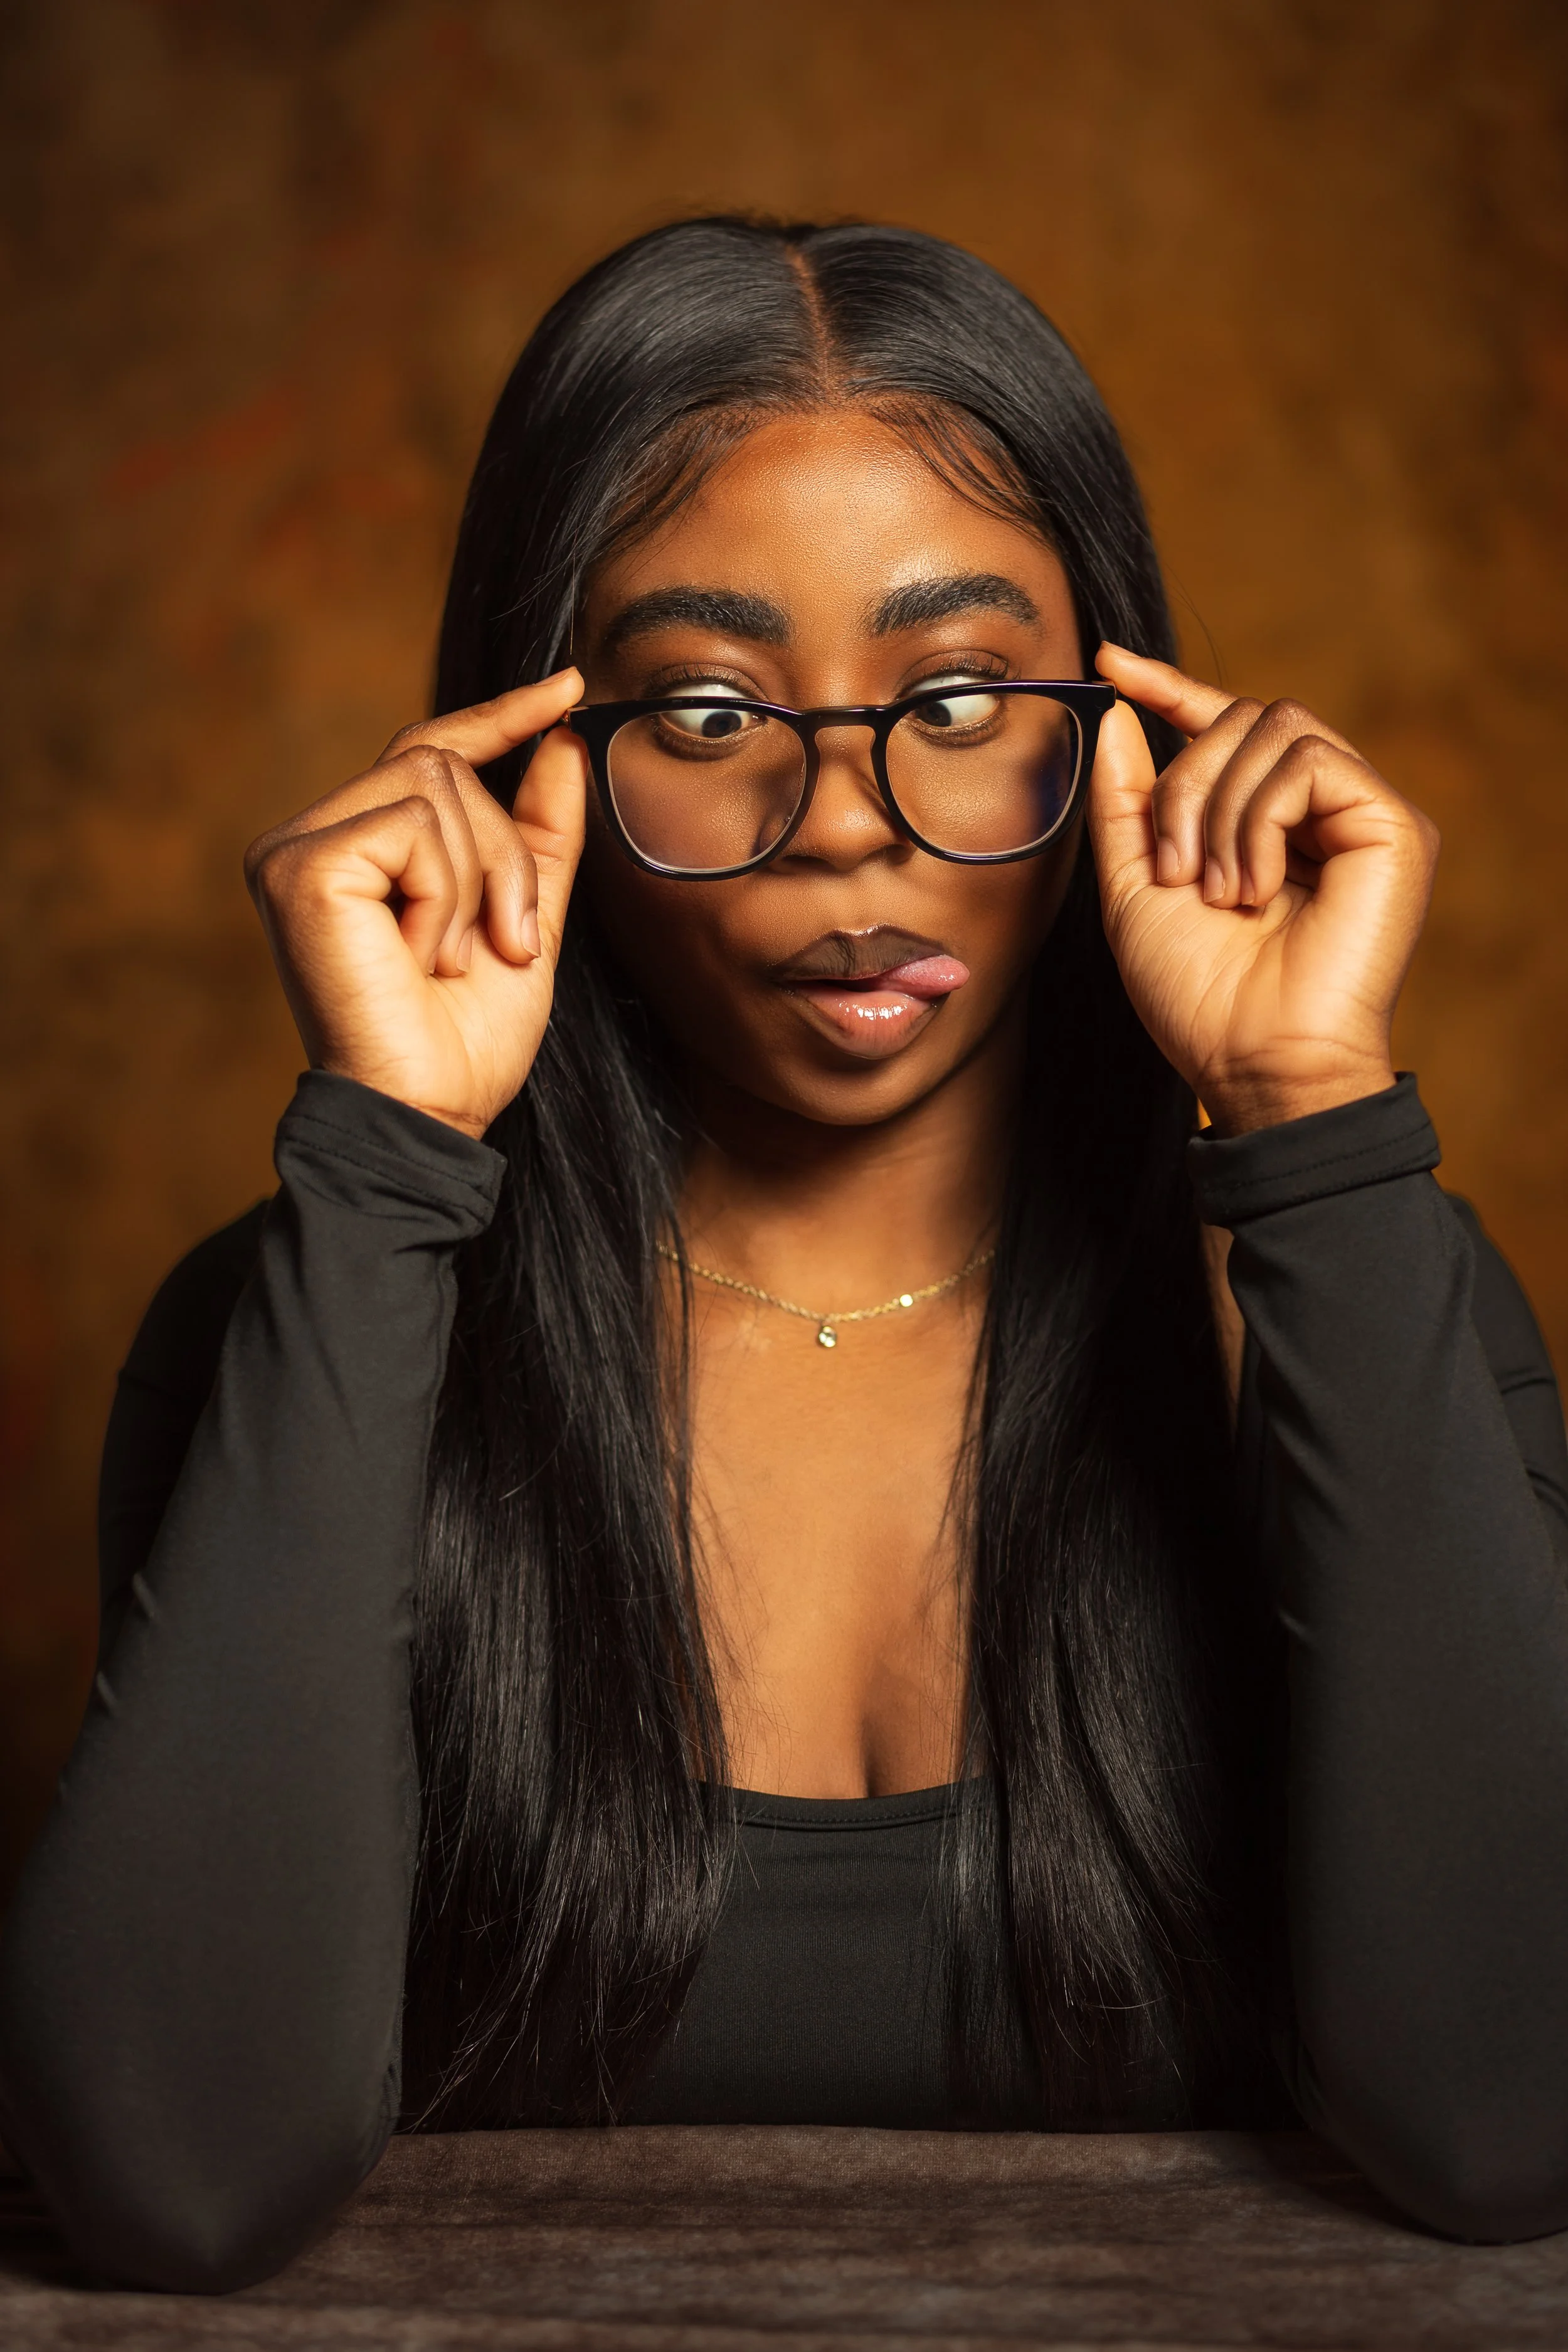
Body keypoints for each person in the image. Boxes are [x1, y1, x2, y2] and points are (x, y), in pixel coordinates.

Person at [3, 216, 1567, 2292]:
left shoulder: (1369, 1291)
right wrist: (382, 1171)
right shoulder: (304, 1313)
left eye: (955, 691)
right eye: (712, 707)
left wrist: (1312, 1128)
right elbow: (178, 2176)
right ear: (527, 751)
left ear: (1118, 727)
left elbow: (1505, 2116)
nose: (847, 820)